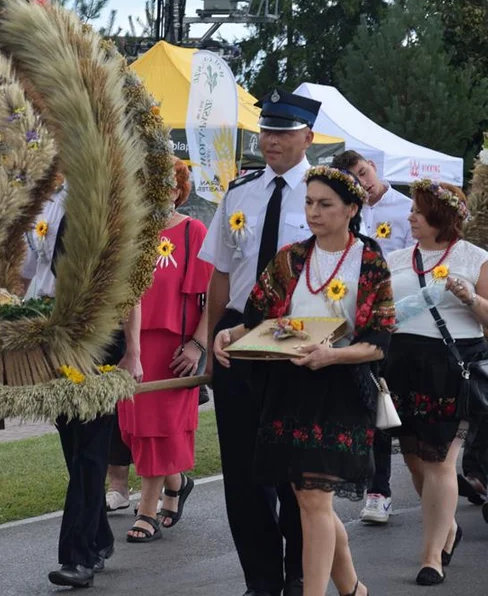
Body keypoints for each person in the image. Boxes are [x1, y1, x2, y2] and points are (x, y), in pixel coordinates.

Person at [214, 166, 394, 596]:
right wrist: (228, 334)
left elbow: (381, 341)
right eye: (309, 202)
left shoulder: (368, 262)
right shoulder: (292, 258)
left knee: (314, 500)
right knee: (309, 499)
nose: (313, 211)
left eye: (325, 204)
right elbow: (260, 316)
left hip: (341, 390)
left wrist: (333, 354)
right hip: (288, 390)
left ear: (352, 209)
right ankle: (351, 588)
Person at [199, 88, 320, 596]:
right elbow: (221, 276)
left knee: (295, 468)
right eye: (267, 131)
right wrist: (208, 344)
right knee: (244, 470)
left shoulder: (323, 192)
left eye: (283, 132)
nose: (271, 141)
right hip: (238, 332)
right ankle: (262, 578)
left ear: (307, 137)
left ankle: (299, 574)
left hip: (298, 332)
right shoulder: (240, 192)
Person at [382, 179, 488, 585]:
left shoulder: (474, 257)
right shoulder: (394, 259)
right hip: (403, 363)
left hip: (453, 363)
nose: (410, 216)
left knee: (440, 458)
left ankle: (431, 556)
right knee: (413, 456)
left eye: (418, 210)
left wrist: (469, 298)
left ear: (440, 216)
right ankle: (448, 528)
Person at [22, 182, 124, 589]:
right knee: (73, 445)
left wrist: (131, 355)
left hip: (98, 335)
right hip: (53, 332)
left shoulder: (107, 196)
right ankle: (99, 536)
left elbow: (129, 287)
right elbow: (31, 270)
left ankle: (77, 557)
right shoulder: (45, 202)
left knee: (90, 450)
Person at [119, 158, 212, 543]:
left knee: (160, 430)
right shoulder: (132, 233)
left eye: (164, 185)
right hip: (135, 346)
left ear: (178, 190)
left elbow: (214, 298)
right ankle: (176, 483)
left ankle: (147, 511)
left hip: (178, 350)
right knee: (134, 430)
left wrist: (197, 345)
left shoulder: (194, 231)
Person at [331, 150, 415, 525]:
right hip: (357, 317)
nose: (363, 182)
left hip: (401, 317)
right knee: (368, 403)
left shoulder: (406, 208)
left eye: (364, 172)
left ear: (374, 168)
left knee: (393, 405)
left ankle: (400, 484)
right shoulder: (347, 215)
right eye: (355, 178)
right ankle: (375, 486)